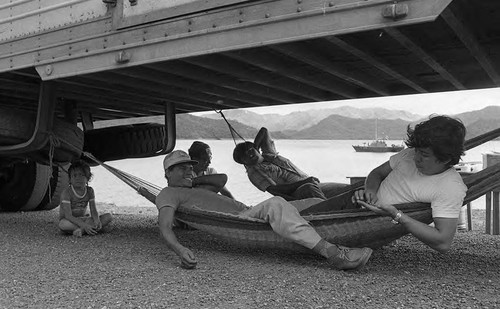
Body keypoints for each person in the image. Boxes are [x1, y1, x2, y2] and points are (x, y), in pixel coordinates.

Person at [155, 150, 372, 270]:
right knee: (277, 202)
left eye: (190, 167)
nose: (189, 171)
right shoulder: (167, 193)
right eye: (183, 168)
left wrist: (192, 179)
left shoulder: (196, 186)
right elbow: (164, 227)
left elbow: (221, 180)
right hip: (238, 220)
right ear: (168, 173)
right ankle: (333, 253)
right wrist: (180, 250)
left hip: (250, 211)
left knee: (313, 204)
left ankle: (367, 217)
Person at [353, 115, 467, 253]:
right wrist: (369, 190)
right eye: (416, 150)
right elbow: (377, 173)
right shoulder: (410, 154)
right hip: (355, 204)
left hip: (371, 224)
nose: (416, 157)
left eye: (424, 155)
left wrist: (397, 215)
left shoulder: (451, 187)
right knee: (318, 206)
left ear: (446, 159)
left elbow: (443, 243)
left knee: (319, 232)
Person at [233, 127, 347, 201]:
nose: (250, 154)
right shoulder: (254, 173)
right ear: (244, 162)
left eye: (250, 150)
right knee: (309, 188)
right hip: (296, 195)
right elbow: (276, 191)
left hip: (313, 184)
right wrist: (305, 182)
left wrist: (255, 146)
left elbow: (264, 131)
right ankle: (333, 214)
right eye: (245, 156)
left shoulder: (269, 154)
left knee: (347, 189)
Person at [58, 160, 112, 237]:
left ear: (87, 178)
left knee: (108, 216)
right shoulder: (66, 193)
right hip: (70, 221)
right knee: (62, 224)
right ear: (70, 179)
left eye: (81, 175)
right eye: (74, 175)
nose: (78, 178)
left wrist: (97, 220)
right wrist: (84, 225)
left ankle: (82, 231)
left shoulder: (90, 191)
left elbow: (93, 210)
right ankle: (90, 229)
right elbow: (68, 216)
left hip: (84, 219)